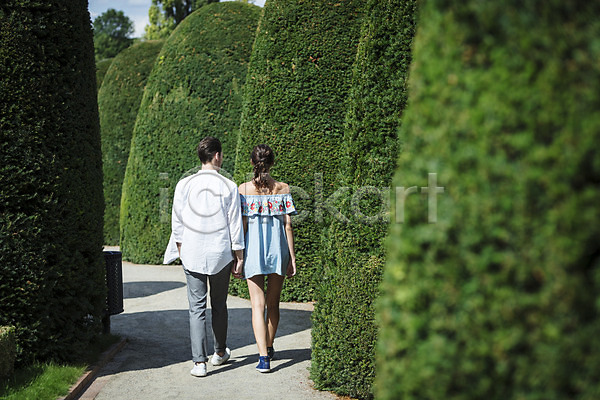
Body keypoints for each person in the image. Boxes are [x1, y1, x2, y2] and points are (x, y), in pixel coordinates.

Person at [163, 136, 244, 378]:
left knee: (196, 308)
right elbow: (235, 225)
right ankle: (219, 352)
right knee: (219, 305)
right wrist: (239, 256)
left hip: (192, 251)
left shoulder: (184, 184)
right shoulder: (229, 186)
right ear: (217, 155)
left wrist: (181, 250)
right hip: (220, 253)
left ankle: (199, 362)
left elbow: (177, 222)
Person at [236, 144, 297, 373]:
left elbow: (242, 226)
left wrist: (238, 256)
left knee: (257, 305)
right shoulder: (283, 188)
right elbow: (288, 226)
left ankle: (263, 358)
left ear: (252, 162)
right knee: (273, 303)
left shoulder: (243, 189)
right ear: (272, 163)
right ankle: (269, 345)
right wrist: (292, 257)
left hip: (253, 250)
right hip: (278, 249)